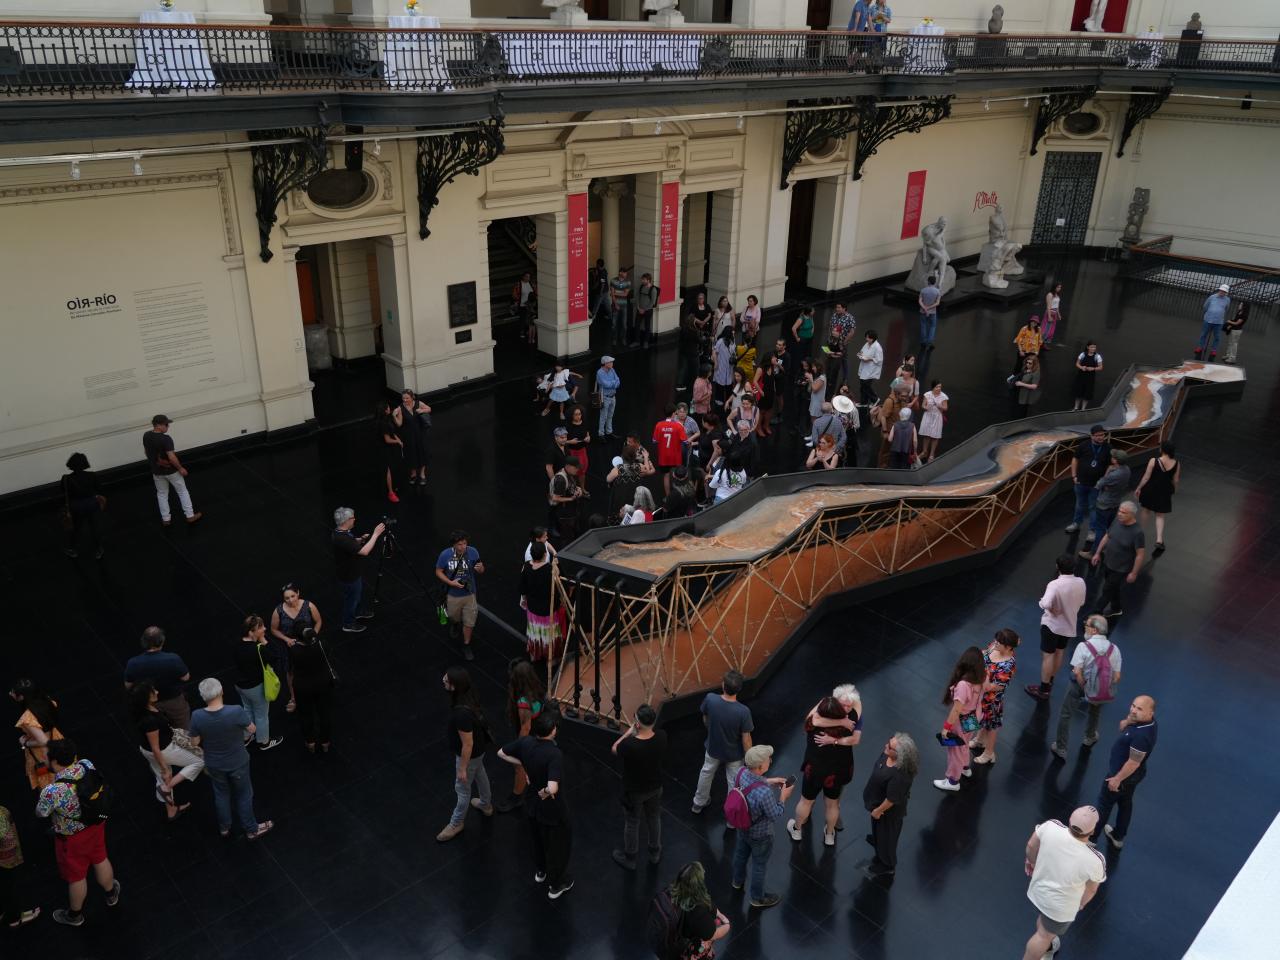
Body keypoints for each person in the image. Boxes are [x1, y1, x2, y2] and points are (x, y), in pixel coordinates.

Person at [35, 739, 120, 927]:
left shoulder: (52, 791)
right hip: (95, 826)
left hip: (72, 838)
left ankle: (74, 916)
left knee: (77, 877)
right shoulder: (86, 764)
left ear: (55, 761)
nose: (43, 757)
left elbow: (41, 813)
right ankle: (111, 894)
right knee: (100, 858)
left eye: (46, 755)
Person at [497, 711, 573, 900]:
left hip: (532, 803)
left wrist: (523, 764)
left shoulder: (525, 743)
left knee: (537, 839)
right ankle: (556, 885)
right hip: (552, 809)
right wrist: (546, 791)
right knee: (558, 846)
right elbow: (553, 787)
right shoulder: (554, 754)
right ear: (553, 731)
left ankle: (541, 871)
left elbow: (501, 753)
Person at [188, 678, 273, 840]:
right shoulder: (235, 711)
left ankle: (224, 828)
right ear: (221, 692)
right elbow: (252, 729)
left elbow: (194, 742)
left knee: (221, 794)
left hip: (214, 764)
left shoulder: (197, 716)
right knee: (244, 795)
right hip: (238, 762)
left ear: (203, 697)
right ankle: (251, 829)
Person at [1021, 807, 1106, 960]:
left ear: (1070, 820)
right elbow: (1092, 889)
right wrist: (1081, 904)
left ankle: (1048, 943)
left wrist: (1031, 861)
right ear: (1092, 831)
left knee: (1045, 923)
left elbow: (1031, 846)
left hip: (1038, 891)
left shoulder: (1051, 826)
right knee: (1043, 936)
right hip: (1060, 908)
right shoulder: (1096, 860)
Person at [787, 688, 861, 847]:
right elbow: (857, 705)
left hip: (815, 770)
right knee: (832, 804)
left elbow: (812, 717)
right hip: (838, 771)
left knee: (805, 802)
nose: (847, 708)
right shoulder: (851, 720)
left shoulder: (813, 724)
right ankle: (829, 835)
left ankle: (797, 829)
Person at [729, 744, 793, 909]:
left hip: (742, 827)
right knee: (759, 865)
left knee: (740, 855)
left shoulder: (741, 771)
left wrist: (770, 781)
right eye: (767, 760)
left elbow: (750, 783)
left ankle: (737, 881)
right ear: (759, 767)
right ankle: (756, 898)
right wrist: (783, 797)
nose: (770, 761)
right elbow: (775, 814)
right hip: (761, 835)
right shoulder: (765, 793)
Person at [1050, 614, 1121, 761]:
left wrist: (1085, 686)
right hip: (1100, 688)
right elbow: (1116, 677)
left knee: (1066, 714)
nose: (1085, 627)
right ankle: (1090, 736)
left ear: (1094, 630)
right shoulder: (1114, 649)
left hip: (1079, 685)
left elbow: (1077, 671)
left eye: (1087, 625)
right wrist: (1100, 686)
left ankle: (1061, 748)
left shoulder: (1083, 646)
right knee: (1094, 712)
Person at [130, 680, 202, 821]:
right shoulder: (149, 721)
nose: (157, 692)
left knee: (161, 778)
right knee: (198, 762)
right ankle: (167, 787)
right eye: (153, 692)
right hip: (162, 751)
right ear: (146, 697)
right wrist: (165, 767)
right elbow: (156, 748)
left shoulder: (143, 710)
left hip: (147, 750)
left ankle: (171, 810)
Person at [436, 666, 494, 842]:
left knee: (462, 789)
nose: (443, 681)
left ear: (455, 686)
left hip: (470, 754)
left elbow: (467, 744)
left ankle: (456, 823)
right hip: (479, 750)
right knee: (480, 773)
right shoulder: (469, 695)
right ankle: (486, 804)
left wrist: (462, 768)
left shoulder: (461, 713)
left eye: (446, 680)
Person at [1093, 695, 1157, 849]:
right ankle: (1118, 836)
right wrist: (1129, 721)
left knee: (1104, 805)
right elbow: (1122, 726)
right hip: (1134, 776)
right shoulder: (1144, 722)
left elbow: (1133, 763)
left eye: (1139, 709)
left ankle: (1090, 838)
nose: (1134, 710)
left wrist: (1116, 779)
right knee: (1125, 803)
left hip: (1122, 776)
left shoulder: (1142, 736)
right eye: (1133, 705)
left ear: (1150, 713)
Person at [610, 703, 667, 870]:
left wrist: (628, 733)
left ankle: (630, 857)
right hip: (655, 787)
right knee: (654, 818)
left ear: (637, 724)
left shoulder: (630, 745)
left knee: (632, 822)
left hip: (634, 791)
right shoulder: (662, 736)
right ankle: (655, 852)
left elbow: (614, 748)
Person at [691, 670, 753, 814]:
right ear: (739, 689)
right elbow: (746, 738)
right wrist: (750, 758)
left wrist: (711, 730)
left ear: (723, 685)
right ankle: (731, 814)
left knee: (706, 773)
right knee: (733, 782)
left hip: (713, 747)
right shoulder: (743, 712)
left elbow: (705, 718)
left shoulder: (710, 699)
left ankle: (698, 803)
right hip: (734, 755)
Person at [1026, 555, 1087, 702]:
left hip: (1052, 626)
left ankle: (1044, 689)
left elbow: (1046, 603)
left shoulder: (1054, 584)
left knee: (1048, 656)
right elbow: (1082, 602)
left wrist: (1046, 605)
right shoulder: (1080, 582)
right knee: (1060, 652)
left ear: (1057, 567)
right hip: (1068, 625)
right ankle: (1050, 680)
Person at [863, 732, 918, 879]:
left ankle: (887, 865)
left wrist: (878, 811)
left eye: (890, 747)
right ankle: (878, 844)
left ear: (900, 755)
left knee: (887, 837)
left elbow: (891, 799)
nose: (885, 746)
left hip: (887, 812)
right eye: (888, 743)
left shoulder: (900, 775)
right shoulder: (888, 755)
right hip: (876, 804)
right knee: (879, 832)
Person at [496, 660, 546, 813]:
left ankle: (516, 798)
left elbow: (525, 727)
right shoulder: (537, 689)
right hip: (538, 735)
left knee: (519, 767)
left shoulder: (524, 703)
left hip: (528, 739)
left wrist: (518, 748)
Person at [934, 646, 984, 792]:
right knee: (965, 743)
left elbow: (956, 709)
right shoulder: (981, 677)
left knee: (955, 749)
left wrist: (946, 727)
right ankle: (965, 768)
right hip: (973, 718)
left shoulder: (963, 685)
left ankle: (953, 781)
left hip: (961, 721)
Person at [124, 626, 192, 730]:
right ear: (162, 641)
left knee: (155, 731)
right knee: (183, 728)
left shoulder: (133, 663)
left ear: (143, 642)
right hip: (173, 701)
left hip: (148, 704)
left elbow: (128, 686)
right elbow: (185, 678)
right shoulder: (173, 658)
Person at [331, 508, 385, 634]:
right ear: (346, 521)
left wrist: (360, 540)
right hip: (349, 576)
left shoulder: (340, 532)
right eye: (353, 517)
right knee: (351, 599)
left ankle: (359, 611)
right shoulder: (342, 538)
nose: (355, 519)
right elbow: (364, 551)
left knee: (357, 595)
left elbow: (350, 543)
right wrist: (376, 534)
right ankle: (348, 623)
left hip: (352, 572)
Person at [269, 583, 322, 713]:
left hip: (308, 644)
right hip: (290, 647)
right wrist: (286, 639)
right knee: (291, 673)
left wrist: (312, 636)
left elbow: (318, 621)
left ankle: (314, 693)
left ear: (298, 593)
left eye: (293, 596)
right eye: (287, 598)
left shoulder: (308, 605)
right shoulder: (279, 611)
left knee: (311, 670)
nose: (291, 600)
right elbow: (273, 630)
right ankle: (294, 698)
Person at [233, 615, 282, 751]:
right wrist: (263, 640)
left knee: (247, 709)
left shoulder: (237, 644)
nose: (265, 628)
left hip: (240, 685)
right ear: (251, 632)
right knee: (261, 715)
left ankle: (247, 736)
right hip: (255, 687)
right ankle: (264, 742)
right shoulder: (258, 649)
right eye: (260, 628)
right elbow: (275, 657)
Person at [143, 414, 201, 526]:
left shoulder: (146, 435)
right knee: (182, 491)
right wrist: (180, 468)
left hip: (157, 472)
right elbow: (171, 457)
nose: (168, 426)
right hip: (171, 472)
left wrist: (154, 463)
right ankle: (190, 515)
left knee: (162, 494)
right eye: (166, 424)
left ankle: (166, 519)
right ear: (159, 425)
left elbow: (146, 452)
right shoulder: (166, 439)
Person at [1090, 501, 1145, 618]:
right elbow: (1107, 536)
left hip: (1121, 568)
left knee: (1106, 590)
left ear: (1132, 515)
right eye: (1119, 511)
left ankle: (1094, 616)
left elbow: (1140, 554)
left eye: (1123, 512)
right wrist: (1097, 553)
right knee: (1112, 589)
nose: (1119, 514)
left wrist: (1134, 573)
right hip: (1108, 563)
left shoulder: (1137, 532)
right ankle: (1116, 608)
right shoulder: (1117, 521)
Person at [436, 531, 485, 661]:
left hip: (470, 594)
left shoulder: (473, 552)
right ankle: (456, 623)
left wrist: (480, 569)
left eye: (465, 543)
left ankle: (466, 644)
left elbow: (481, 569)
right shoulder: (445, 555)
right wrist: (450, 582)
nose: (463, 546)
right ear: (453, 545)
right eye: (460, 544)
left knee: (470, 621)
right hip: (453, 595)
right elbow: (438, 571)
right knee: (453, 616)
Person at [663, 862, 731, 956]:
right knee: (706, 949)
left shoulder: (670, 892)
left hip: (670, 936)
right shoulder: (698, 911)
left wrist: (718, 913)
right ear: (698, 885)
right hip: (685, 946)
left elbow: (710, 904)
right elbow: (712, 934)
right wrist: (727, 925)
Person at [973, 629, 1019, 765]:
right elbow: (984, 653)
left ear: (1008, 647)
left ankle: (989, 753)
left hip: (993, 699)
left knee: (992, 725)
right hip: (981, 692)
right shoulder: (995, 645)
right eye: (996, 641)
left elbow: (995, 687)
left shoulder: (1008, 665)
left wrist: (982, 675)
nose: (996, 644)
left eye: (1000, 643)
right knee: (983, 720)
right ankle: (979, 740)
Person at [11, 679, 63, 794]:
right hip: (56, 739)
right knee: (62, 770)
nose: (11, 694)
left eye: (14, 692)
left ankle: (51, 800)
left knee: (46, 779)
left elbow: (43, 741)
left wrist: (25, 743)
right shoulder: (47, 700)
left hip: (41, 754)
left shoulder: (28, 718)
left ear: (21, 697)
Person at [288, 627, 335, 754]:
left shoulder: (294, 650)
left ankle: (310, 742)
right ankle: (325, 742)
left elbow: (290, 669)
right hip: (323, 684)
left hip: (303, 687)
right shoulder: (322, 645)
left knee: (305, 715)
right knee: (324, 713)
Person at [1065, 425, 1110, 541]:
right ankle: (1076, 524)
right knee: (1079, 505)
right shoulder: (1083, 445)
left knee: (1093, 507)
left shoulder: (1108, 447)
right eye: (1098, 435)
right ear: (1092, 436)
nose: (1101, 437)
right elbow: (1075, 459)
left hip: (1096, 485)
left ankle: (1092, 530)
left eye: (1103, 435)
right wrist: (1074, 476)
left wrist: (1104, 480)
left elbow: (1111, 465)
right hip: (1080, 482)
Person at [1134, 440, 1180, 554]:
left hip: (1150, 490)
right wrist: (1174, 490)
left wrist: (1139, 487)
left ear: (1162, 449)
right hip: (1164, 492)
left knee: (1146, 510)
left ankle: (1141, 533)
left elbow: (1146, 477)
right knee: (1160, 515)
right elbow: (1176, 480)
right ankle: (1159, 539)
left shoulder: (1154, 461)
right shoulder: (1177, 463)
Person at [520, 540, 560, 663]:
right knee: (550, 635)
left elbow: (522, 588)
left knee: (535, 633)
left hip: (533, 608)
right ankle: (551, 658)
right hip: (549, 609)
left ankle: (535, 654)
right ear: (544, 555)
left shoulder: (526, 567)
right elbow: (559, 587)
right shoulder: (550, 569)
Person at [60, 452, 106, 559]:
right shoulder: (92, 475)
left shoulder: (66, 479)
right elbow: (99, 489)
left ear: (71, 464)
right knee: (94, 527)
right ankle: (98, 549)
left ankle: (72, 549)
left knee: (76, 528)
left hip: (76, 506)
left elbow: (63, 492)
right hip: (91, 504)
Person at [0, 805, 40, 927]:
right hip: (5, 858)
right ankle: (13, 918)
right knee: (8, 886)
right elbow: (4, 834)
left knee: (6, 885)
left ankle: (8, 913)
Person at [1086, 452, 1130, 555]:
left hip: (1104, 504)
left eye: (1113, 457)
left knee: (1100, 529)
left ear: (1115, 460)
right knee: (1110, 527)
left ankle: (1093, 552)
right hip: (1115, 503)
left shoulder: (1113, 474)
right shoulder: (1127, 470)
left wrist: (1108, 471)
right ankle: (1106, 548)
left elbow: (1098, 484)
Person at [395, 389, 432, 488]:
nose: (405, 400)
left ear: (412, 397)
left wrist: (422, 410)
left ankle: (422, 474)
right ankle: (413, 473)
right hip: (408, 435)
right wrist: (395, 416)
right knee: (411, 454)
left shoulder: (418, 403)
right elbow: (399, 424)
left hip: (420, 433)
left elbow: (429, 409)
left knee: (422, 452)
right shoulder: (400, 408)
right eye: (403, 398)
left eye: (407, 398)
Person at [653, 404, 689, 496]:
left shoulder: (659, 425)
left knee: (666, 476)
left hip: (663, 457)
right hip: (675, 457)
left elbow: (654, 440)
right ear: (674, 413)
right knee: (677, 476)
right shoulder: (678, 426)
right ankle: (678, 494)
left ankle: (668, 496)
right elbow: (685, 441)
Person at [824, 302, 856, 390]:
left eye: (839, 307)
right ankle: (827, 375)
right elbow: (830, 327)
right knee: (829, 357)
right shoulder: (834, 315)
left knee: (842, 360)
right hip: (831, 341)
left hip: (842, 343)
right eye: (836, 307)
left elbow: (852, 331)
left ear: (844, 308)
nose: (837, 309)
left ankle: (844, 378)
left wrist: (844, 341)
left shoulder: (850, 318)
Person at [376, 399, 403, 502]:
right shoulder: (383, 423)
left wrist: (396, 437)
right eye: (388, 408)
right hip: (383, 449)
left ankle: (392, 487)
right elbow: (387, 440)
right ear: (385, 410)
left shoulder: (386, 419)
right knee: (387, 470)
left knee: (391, 467)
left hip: (387, 448)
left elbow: (392, 431)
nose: (389, 408)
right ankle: (390, 492)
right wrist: (397, 442)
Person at [1194, 283, 1231, 358]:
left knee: (1217, 337)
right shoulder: (1212, 297)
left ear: (1226, 293)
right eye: (1222, 291)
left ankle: (1214, 350)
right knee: (1203, 334)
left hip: (1218, 322)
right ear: (1219, 290)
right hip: (1208, 319)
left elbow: (1226, 309)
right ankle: (1200, 347)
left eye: (1224, 292)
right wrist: (1210, 313)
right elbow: (1205, 306)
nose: (1222, 292)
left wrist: (1219, 313)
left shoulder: (1227, 300)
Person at [918, 380, 948, 462]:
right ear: (933, 387)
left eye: (940, 387)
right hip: (928, 416)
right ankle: (924, 452)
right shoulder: (927, 394)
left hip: (937, 417)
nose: (939, 388)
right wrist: (926, 407)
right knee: (926, 435)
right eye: (937, 387)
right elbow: (923, 405)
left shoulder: (943, 396)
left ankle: (931, 454)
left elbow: (946, 408)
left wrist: (940, 406)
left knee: (935, 436)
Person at [1071, 341, 1103, 411]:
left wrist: (1093, 368)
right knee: (1078, 392)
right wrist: (1081, 367)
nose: (1093, 348)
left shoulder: (1097, 356)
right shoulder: (1082, 354)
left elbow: (1100, 367)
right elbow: (1077, 363)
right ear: (1088, 347)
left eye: (1094, 347)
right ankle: (1076, 407)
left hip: (1090, 378)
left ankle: (1083, 409)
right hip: (1081, 376)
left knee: (1087, 393)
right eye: (1091, 347)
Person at [595, 356, 620, 439]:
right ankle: (601, 434)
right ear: (605, 363)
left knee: (610, 415)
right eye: (610, 362)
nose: (612, 364)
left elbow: (618, 381)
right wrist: (614, 383)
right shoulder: (600, 373)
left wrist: (612, 383)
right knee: (603, 416)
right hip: (604, 397)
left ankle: (609, 432)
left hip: (613, 396)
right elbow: (605, 384)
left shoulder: (612, 370)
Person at [857, 330, 884, 405]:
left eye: (868, 338)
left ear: (872, 338)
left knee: (866, 385)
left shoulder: (877, 347)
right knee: (862, 386)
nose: (867, 339)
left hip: (871, 369)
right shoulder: (866, 344)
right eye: (866, 337)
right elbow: (861, 352)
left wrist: (870, 358)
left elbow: (879, 360)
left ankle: (875, 399)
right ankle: (863, 402)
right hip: (864, 367)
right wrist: (860, 355)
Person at [633, 273, 659, 348]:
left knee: (647, 326)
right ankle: (636, 341)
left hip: (647, 311)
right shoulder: (641, 287)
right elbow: (637, 297)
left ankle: (646, 342)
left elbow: (652, 302)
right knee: (637, 325)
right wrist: (638, 307)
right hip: (639, 309)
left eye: (644, 280)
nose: (642, 281)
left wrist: (644, 310)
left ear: (648, 280)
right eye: (642, 279)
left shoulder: (653, 289)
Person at [712, 327, 735, 408]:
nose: (733, 333)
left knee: (729, 384)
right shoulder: (720, 341)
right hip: (721, 365)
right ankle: (719, 399)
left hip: (729, 366)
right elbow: (715, 352)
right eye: (732, 332)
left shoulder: (732, 341)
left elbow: (733, 351)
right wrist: (716, 362)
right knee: (720, 384)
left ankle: (729, 400)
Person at [565, 405, 592, 476]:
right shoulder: (568, 426)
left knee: (582, 470)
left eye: (579, 414)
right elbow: (561, 442)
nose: (578, 416)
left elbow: (588, 435)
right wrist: (570, 442)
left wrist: (588, 438)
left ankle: (582, 487)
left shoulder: (585, 423)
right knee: (572, 471)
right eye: (576, 414)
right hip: (571, 452)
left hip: (582, 450)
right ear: (572, 415)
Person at [610, 267, 632, 348]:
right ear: (620, 273)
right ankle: (614, 339)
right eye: (625, 273)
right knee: (614, 324)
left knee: (624, 324)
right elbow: (612, 294)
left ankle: (623, 339)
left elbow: (625, 294)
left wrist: (615, 293)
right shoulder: (613, 280)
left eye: (626, 273)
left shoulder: (628, 282)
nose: (626, 274)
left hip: (624, 305)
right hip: (615, 305)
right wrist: (615, 304)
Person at [513, 270, 537, 344]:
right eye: (526, 276)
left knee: (530, 320)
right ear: (523, 277)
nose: (528, 278)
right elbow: (514, 294)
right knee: (523, 319)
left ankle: (528, 332)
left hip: (530, 306)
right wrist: (517, 301)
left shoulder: (531, 284)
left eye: (529, 277)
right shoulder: (519, 284)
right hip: (522, 305)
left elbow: (535, 292)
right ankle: (522, 332)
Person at [918, 275, 941, 349]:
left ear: (928, 281)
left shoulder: (923, 290)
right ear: (935, 282)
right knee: (932, 326)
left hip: (923, 311)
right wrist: (929, 308)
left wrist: (925, 308)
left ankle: (923, 342)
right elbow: (937, 303)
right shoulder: (937, 291)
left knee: (923, 325)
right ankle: (930, 341)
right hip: (933, 312)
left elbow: (920, 301)